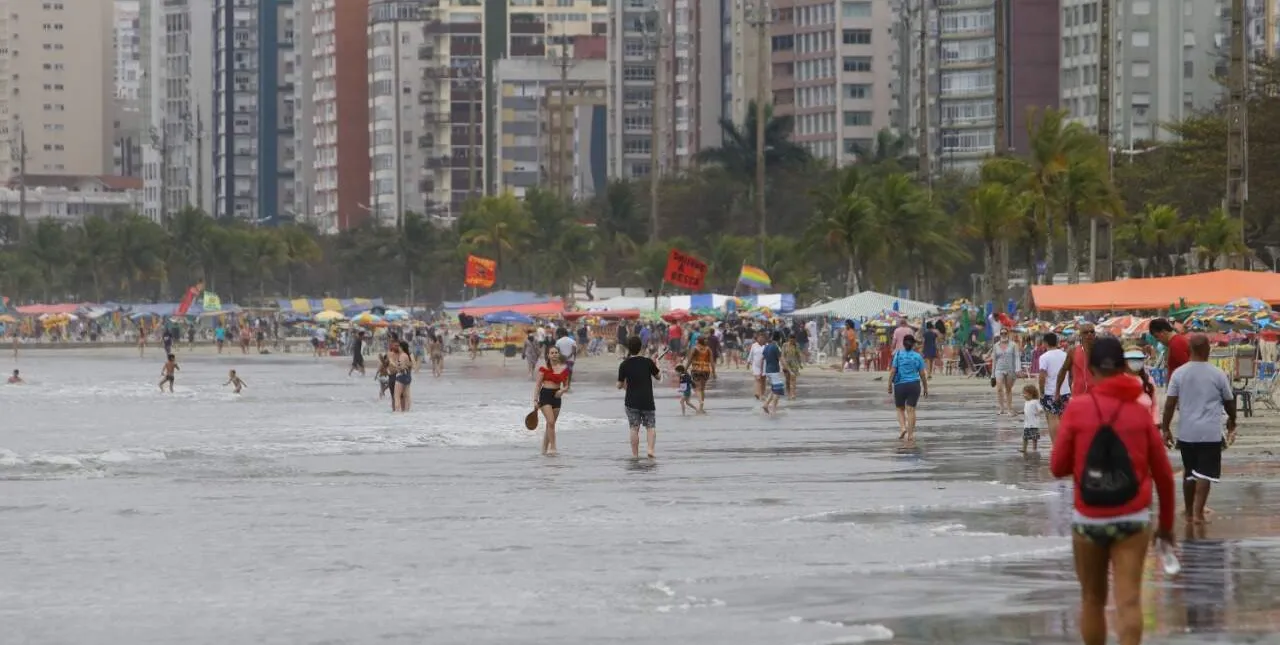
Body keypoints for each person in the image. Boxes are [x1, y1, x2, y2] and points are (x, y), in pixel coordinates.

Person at [1050, 336, 1176, 645]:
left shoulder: (1078, 409)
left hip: (1089, 518)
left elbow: (1057, 467)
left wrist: (1085, 465)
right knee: (1129, 601)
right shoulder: (1140, 410)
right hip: (1133, 518)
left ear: (1090, 370)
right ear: (1122, 368)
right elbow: (1163, 476)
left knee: (1092, 600)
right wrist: (1167, 527)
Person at [1161, 333, 1236, 525]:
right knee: (1205, 473)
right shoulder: (1217, 374)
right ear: (1208, 350)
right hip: (1210, 433)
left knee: (1190, 472)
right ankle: (1198, 513)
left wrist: (1166, 428)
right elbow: (1229, 402)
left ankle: (1188, 512)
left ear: (1190, 350)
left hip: (1186, 432)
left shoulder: (1179, 373)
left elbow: (1169, 404)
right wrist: (1232, 422)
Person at [617, 336, 661, 458]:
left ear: (628, 349)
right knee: (650, 426)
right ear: (641, 347)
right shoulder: (648, 362)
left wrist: (622, 382)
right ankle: (650, 450)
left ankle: (635, 454)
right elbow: (658, 376)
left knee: (634, 428)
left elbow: (619, 385)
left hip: (631, 401)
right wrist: (657, 364)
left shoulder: (624, 364)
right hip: (647, 400)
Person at [887, 334, 928, 443]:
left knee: (900, 408)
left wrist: (889, 385)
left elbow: (893, 371)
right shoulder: (918, 356)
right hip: (914, 385)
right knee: (911, 410)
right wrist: (925, 388)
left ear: (903, 344)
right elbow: (922, 374)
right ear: (913, 344)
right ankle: (910, 435)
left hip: (900, 385)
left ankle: (903, 428)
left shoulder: (898, 354)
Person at [533, 346, 570, 456]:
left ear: (558, 354)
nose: (554, 354)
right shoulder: (544, 368)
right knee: (551, 422)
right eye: (552, 353)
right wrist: (535, 400)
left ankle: (544, 450)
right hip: (545, 395)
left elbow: (567, 385)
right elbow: (538, 385)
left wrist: (562, 391)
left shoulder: (564, 368)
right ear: (548, 355)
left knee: (550, 425)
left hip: (557, 397)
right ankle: (553, 447)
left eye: (556, 352)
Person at [1038, 332, 1071, 441]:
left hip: (1050, 392)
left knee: (1052, 418)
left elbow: (1042, 376)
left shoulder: (1044, 357)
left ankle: (1056, 445)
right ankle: (1065, 443)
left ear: (1045, 343)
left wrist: (1041, 391)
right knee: (1064, 419)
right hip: (1065, 391)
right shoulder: (1065, 355)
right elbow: (1070, 373)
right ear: (1057, 342)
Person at [1055, 322, 1097, 406]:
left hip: (1097, 396)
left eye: (1092, 332)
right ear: (1080, 335)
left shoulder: (1102, 350)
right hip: (1079, 396)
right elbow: (1063, 371)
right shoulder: (1073, 351)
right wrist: (1057, 391)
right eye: (1086, 332)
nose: (1089, 334)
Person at [990, 328, 1020, 415]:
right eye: (1002, 333)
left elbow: (1017, 357)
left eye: (1005, 333)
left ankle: (1009, 408)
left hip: (1010, 369)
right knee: (999, 388)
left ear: (1008, 334)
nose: (1003, 335)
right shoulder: (996, 346)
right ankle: (1001, 408)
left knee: (1008, 389)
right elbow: (994, 360)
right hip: (999, 369)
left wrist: (1018, 369)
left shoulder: (1013, 345)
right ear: (1000, 335)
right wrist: (992, 375)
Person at [685, 335, 713, 414]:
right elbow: (712, 362)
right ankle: (701, 408)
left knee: (697, 388)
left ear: (698, 341)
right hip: (706, 370)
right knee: (702, 389)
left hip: (696, 370)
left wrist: (685, 369)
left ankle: (700, 403)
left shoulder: (695, 348)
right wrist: (714, 372)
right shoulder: (708, 349)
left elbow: (689, 360)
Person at [761, 332, 785, 415]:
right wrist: (788, 369)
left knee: (774, 389)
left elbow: (762, 358)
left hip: (768, 371)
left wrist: (762, 371)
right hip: (774, 371)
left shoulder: (766, 347)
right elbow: (781, 359)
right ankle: (773, 409)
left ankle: (766, 404)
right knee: (778, 391)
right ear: (779, 339)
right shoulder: (776, 347)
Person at [555, 329, 578, 393]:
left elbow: (557, 351)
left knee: (563, 373)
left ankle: (565, 385)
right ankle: (568, 386)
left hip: (561, 360)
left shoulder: (558, 341)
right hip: (570, 360)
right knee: (569, 373)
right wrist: (572, 358)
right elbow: (574, 351)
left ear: (561, 334)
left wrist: (562, 357)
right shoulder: (572, 341)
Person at [1021, 384, 1043, 453]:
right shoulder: (1026, 402)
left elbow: (1040, 410)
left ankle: (1034, 448)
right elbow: (1026, 411)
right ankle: (1024, 449)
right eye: (1023, 393)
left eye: (1025, 393)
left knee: (1034, 438)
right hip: (1027, 424)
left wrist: (1038, 413)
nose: (1023, 395)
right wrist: (1019, 413)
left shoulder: (1035, 402)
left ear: (1031, 394)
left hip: (1034, 424)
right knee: (1025, 437)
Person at [394, 340, 414, 412]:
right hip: (408, 376)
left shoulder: (402, 355)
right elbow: (411, 365)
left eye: (399, 346)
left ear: (401, 347)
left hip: (401, 376)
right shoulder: (408, 355)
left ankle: (397, 411)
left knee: (397, 396)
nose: (398, 348)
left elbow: (401, 367)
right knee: (407, 395)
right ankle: (407, 411)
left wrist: (396, 366)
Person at [747, 331, 767, 399]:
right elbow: (751, 354)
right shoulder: (754, 345)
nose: (761, 339)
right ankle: (758, 393)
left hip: (764, 365)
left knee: (763, 380)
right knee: (758, 379)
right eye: (759, 338)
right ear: (757, 338)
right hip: (756, 365)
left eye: (762, 338)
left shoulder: (766, 346)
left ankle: (763, 393)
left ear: (764, 339)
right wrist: (748, 362)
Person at [782, 334, 803, 400]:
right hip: (786, 364)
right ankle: (788, 393)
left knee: (793, 379)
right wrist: (783, 364)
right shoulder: (785, 345)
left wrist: (800, 364)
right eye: (791, 340)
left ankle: (793, 394)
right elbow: (782, 355)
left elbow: (798, 355)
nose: (792, 342)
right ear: (789, 339)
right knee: (787, 380)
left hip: (794, 364)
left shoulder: (797, 345)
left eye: (793, 340)